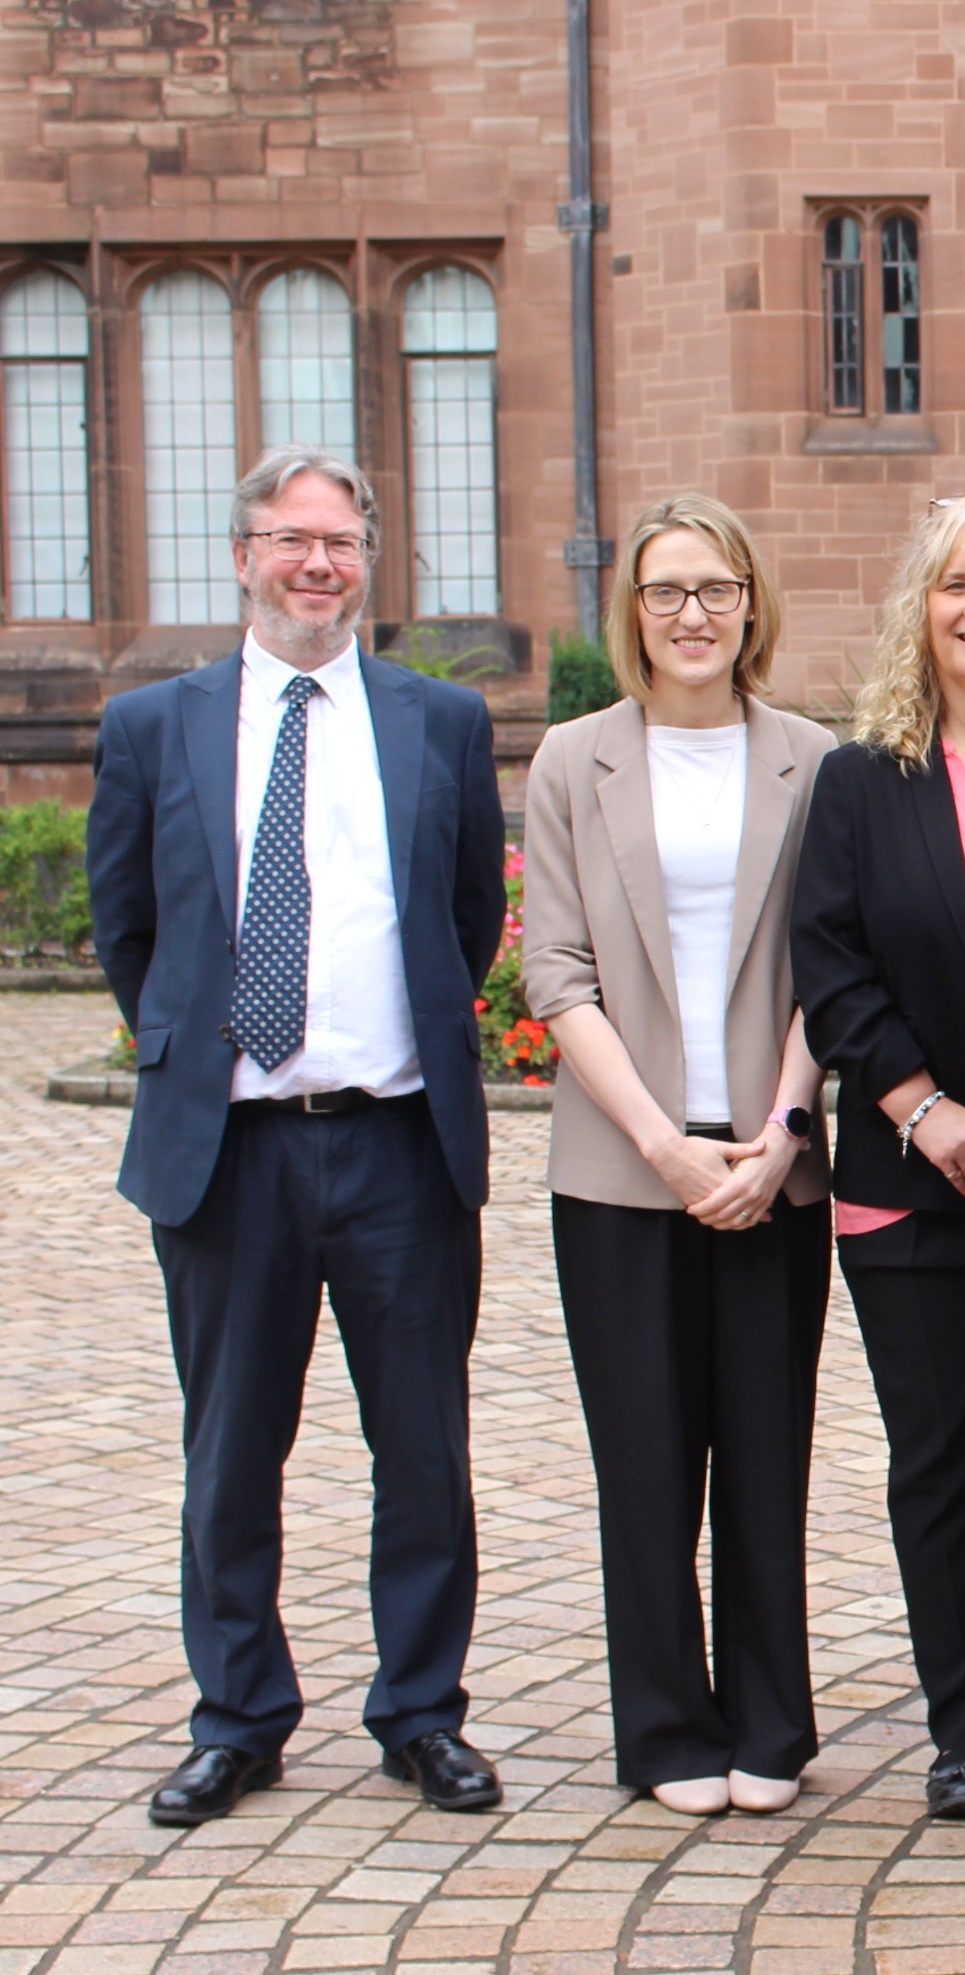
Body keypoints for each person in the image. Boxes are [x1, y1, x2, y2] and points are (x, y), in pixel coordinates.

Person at [86, 446, 508, 1825]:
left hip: (395, 1143)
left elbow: (463, 918)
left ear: (368, 555)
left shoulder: (440, 722)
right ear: (244, 553)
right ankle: (239, 1713)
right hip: (232, 1147)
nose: (314, 564)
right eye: (288, 540)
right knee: (231, 1447)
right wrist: (203, 1050)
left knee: (424, 1448)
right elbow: (132, 929)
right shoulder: (156, 726)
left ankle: (420, 1710)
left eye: (337, 540)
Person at [519, 495, 837, 1816]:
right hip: (620, 1170)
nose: (692, 612)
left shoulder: (815, 759)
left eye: (715, 588)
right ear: (632, 610)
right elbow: (556, 968)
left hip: (775, 1162)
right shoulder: (571, 759)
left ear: (752, 603)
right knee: (644, 1461)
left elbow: (836, 957)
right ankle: (662, 1723)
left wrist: (779, 1130)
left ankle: (769, 1715)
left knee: (766, 1450)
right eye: (666, 591)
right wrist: (662, 1140)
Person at [790, 494, 965, 1820]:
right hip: (908, 1182)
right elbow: (828, 963)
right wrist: (920, 1105)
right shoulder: (861, 776)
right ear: (921, 605)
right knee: (944, 1460)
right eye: (954, 583)